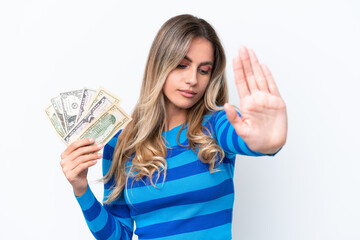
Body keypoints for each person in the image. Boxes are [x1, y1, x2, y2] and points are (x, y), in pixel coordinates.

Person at [60, 14, 287, 240]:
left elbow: (250, 140)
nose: (192, 79)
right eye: (182, 65)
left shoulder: (219, 123)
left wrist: (268, 141)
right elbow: (118, 237)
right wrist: (81, 189)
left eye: (203, 70)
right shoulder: (120, 143)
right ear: (160, 65)